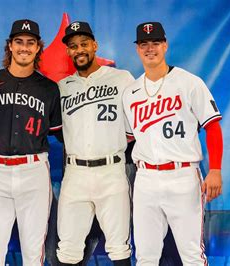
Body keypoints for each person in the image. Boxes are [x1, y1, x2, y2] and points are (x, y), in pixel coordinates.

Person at [122, 22, 223, 265]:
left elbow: (212, 127)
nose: (150, 49)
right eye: (144, 44)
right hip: (145, 179)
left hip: (183, 176)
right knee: (145, 256)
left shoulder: (189, 82)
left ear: (165, 45)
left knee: (192, 256)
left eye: (155, 43)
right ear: (137, 49)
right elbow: (129, 138)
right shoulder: (131, 92)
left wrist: (216, 169)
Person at [0, 19, 62, 265]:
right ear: (9, 45)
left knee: (33, 251)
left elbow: (59, 132)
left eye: (31, 43)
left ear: (38, 48)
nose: (24, 48)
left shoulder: (49, 89)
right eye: (19, 42)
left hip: (34, 170)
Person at [56, 21, 134, 266]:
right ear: (68, 52)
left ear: (95, 45)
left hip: (111, 170)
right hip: (75, 172)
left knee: (119, 246)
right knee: (68, 248)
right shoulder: (61, 87)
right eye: (73, 46)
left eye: (84, 44)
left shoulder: (122, 78)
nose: (79, 50)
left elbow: (135, 127)